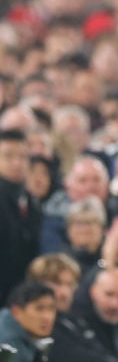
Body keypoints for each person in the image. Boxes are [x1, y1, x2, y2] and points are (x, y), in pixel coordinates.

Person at [0, 129, 42, 307]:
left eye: (23, 156)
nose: (17, 163)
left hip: (22, 299)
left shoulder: (31, 202)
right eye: (8, 156)